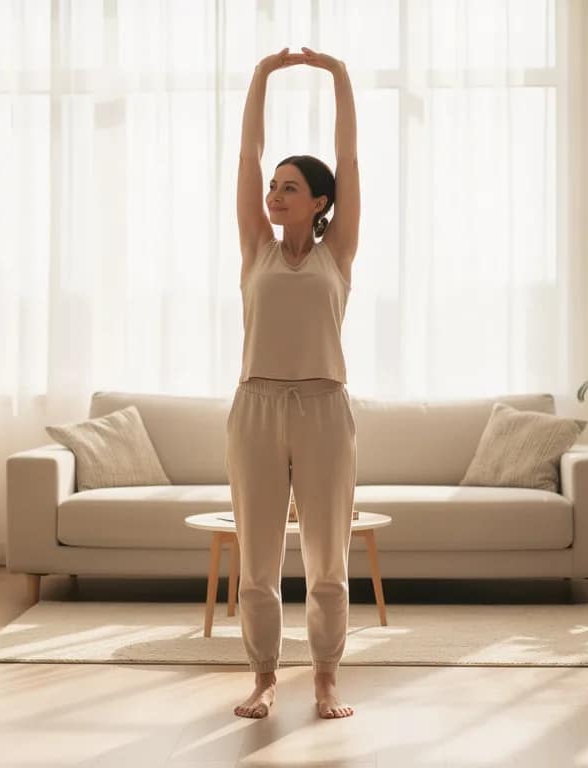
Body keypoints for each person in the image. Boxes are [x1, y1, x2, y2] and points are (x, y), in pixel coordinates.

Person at [225, 46, 360, 721]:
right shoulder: (257, 247)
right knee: (258, 558)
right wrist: (260, 77)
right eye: (273, 186)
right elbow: (246, 158)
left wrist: (339, 77)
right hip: (255, 406)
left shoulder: (338, 253)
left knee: (327, 557)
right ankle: (263, 676)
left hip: (324, 408)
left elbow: (350, 159)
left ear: (320, 202)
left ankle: (327, 678)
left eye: (289, 188)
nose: (274, 195)